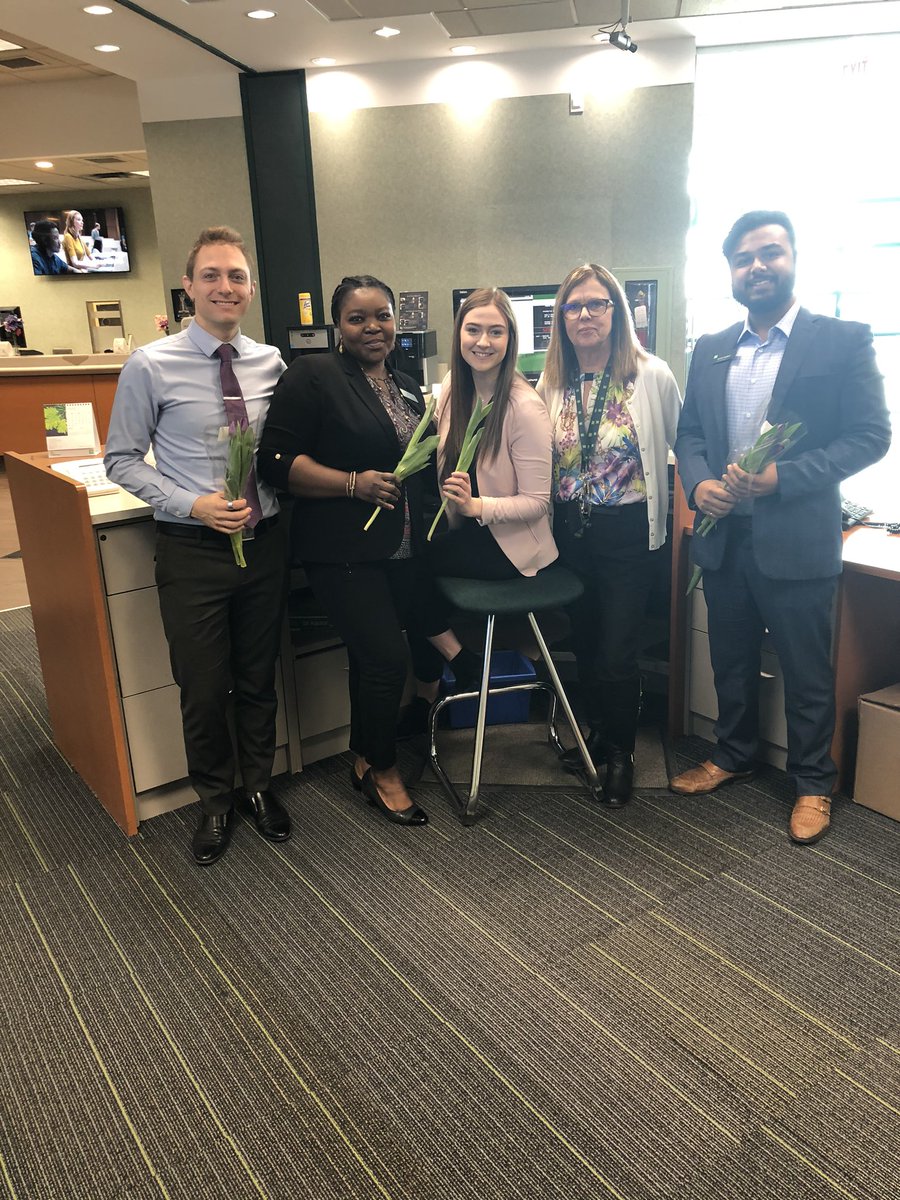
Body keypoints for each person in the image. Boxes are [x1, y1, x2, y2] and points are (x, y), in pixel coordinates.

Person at [670, 210, 891, 844]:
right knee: (730, 659)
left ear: (793, 258)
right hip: (723, 537)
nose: (757, 266)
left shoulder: (840, 339)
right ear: (731, 272)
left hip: (796, 537)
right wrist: (700, 481)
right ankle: (733, 755)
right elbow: (689, 435)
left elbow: (870, 437)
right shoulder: (711, 349)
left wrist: (782, 479)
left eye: (770, 253)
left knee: (806, 670)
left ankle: (814, 783)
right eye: (743, 258)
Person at [258, 275, 477, 827]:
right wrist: (352, 483)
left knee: (373, 658)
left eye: (382, 315)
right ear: (339, 325)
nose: (372, 327)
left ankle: (362, 755)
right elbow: (277, 463)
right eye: (357, 318)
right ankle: (383, 771)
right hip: (342, 550)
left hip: (401, 549)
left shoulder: (405, 384)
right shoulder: (312, 376)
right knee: (385, 657)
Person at [104, 226, 291, 866]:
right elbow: (121, 461)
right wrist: (194, 505)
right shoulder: (149, 365)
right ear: (189, 288)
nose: (224, 287)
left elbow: (286, 451)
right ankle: (215, 799)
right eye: (211, 275)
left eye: (236, 276)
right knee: (204, 686)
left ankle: (259, 787)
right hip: (193, 551)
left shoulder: (271, 363)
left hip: (264, 545)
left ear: (251, 289)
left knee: (259, 676)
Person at [537, 264, 681, 806]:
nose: (585, 316)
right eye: (573, 308)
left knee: (619, 652)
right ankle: (595, 733)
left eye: (597, 305)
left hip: (627, 535)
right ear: (561, 320)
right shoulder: (551, 381)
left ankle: (621, 754)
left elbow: (674, 448)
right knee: (587, 645)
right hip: (571, 538)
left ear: (617, 313)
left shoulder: (651, 375)